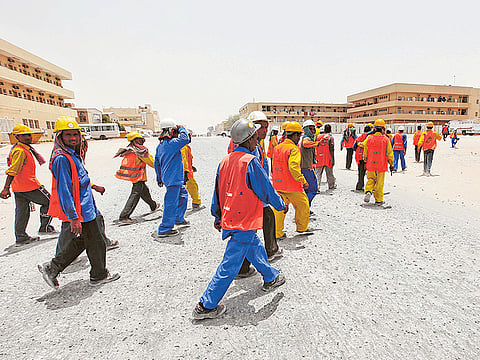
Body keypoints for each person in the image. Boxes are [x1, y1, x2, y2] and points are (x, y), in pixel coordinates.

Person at [192, 118, 287, 320]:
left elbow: (218, 191)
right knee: (230, 264)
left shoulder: (225, 160)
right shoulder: (250, 162)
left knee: (254, 247)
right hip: (243, 220)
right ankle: (206, 305)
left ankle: (271, 276)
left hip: (231, 216)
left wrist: (217, 215)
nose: (256, 141)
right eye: (254, 137)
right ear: (250, 139)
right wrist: (281, 205)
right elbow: (266, 191)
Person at [37, 116, 120, 289]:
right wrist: (73, 217)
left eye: (76, 134)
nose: (74, 138)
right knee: (96, 242)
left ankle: (53, 268)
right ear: (60, 136)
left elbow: (79, 179)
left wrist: (94, 186)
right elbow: (64, 190)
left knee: (85, 240)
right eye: (69, 135)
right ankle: (98, 275)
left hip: (87, 207)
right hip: (79, 209)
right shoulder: (61, 158)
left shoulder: (72, 154)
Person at [237, 111, 283, 279]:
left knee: (251, 231)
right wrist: (271, 198)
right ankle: (265, 258)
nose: (264, 130)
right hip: (253, 194)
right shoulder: (252, 147)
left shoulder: (258, 144)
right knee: (253, 229)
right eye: (259, 127)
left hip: (254, 194)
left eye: (265, 127)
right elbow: (255, 175)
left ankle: (244, 266)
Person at [0, 125, 55, 246]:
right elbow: (13, 170)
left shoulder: (20, 148)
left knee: (22, 212)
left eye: (29, 135)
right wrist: (5, 188)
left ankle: (21, 237)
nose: (28, 137)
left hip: (19, 187)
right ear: (17, 137)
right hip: (29, 186)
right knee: (50, 201)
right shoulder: (20, 151)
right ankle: (45, 228)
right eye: (24, 135)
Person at [271, 121, 310, 239]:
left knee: (279, 209)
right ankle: (302, 228)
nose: (299, 138)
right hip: (292, 186)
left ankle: (277, 233)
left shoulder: (277, 147)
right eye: (299, 136)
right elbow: (294, 167)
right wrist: (303, 180)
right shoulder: (293, 149)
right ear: (296, 135)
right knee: (303, 205)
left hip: (278, 184)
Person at [154, 118, 189, 237]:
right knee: (170, 203)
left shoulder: (160, 146)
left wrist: (159, 178)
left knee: (183, 196)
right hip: (173, 179)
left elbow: (157, 163)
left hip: (171, 178)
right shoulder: (172, 144)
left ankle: (178, 218)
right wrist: (182, 128)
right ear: (171, 131)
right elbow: (185, 139)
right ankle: (165, 228)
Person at [115, 132, 159, 224]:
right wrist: (161, 167)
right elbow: (151, 162)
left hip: (134, 176)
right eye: (139, 139)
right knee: (135, 195)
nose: (141, 140)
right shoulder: (140, 151)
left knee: (144, 191)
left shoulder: (130, 149)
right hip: (138, 176)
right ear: (135, 140)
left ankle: (153, 206)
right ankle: (124, 216)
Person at [358, 119, 394, 206]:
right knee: (379, 182)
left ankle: (368, 191)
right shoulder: (386, 140)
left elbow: (364, 147)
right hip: (381, 165)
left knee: (371, 179)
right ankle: (378, 199)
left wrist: (364, 159)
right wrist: (391, 164)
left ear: (374, 129)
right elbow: (389, 153)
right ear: (383, 129)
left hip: (370, 164)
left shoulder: (369, 138)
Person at [299, 120, 319, 206]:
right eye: (311, 129)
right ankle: (305, 207)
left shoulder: (309, 138)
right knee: (313, 189)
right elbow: (305, 143)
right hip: (306, 169)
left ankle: (305, 208)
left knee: (307, 190)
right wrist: (317, 144)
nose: (313, 131)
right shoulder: (306, 138)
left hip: (307, 168)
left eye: (314, 129)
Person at [181, 131, 202, 209]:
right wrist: (185, 172)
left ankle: (196, 202)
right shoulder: (184, 148)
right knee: (192, 187)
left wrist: (191, 166)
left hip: (187, 171)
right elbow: (183, 161)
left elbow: (186, 160)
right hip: (186, 173)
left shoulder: (185, 146)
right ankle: (196, 202)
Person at [314, 124, 336, 191]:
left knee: (318, 173)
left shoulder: (318, 136)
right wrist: (333, 159)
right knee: (329, 173)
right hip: (328, 158)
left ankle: (316, 187)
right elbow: (331, 149)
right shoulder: (330, 137)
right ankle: (331, 185)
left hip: (319, 158)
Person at [353, 124, 372, 191]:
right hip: (368, 157)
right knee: (371, 174)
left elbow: (354, 147)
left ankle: (359, 186)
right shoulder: (370, 137)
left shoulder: (360, 137)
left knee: (361, 173)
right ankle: (371, 187)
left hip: (359, 157)